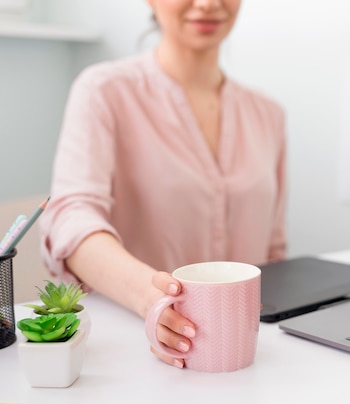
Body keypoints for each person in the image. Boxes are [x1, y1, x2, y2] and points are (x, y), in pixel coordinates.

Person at [38, 0, 287, 369]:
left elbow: (274, 248)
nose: (207, 4)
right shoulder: (103, 90)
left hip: (249, 354)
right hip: (134, 351)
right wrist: (150, 295)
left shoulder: (268, 113)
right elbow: (72, 220)